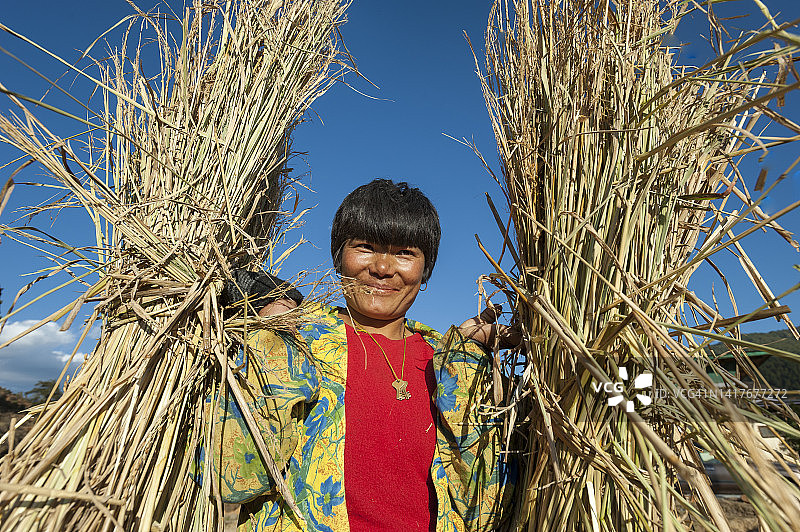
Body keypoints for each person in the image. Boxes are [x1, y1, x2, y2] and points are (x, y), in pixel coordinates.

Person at [210, 179, 516, 531]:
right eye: (366, 247)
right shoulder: (299, 338)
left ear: (425, 270)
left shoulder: (445, 359)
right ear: (339, 256)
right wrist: (270, 333)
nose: (383, 268)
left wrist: (466, 356)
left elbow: (488, 505)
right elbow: (232, 478)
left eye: (405, 253)